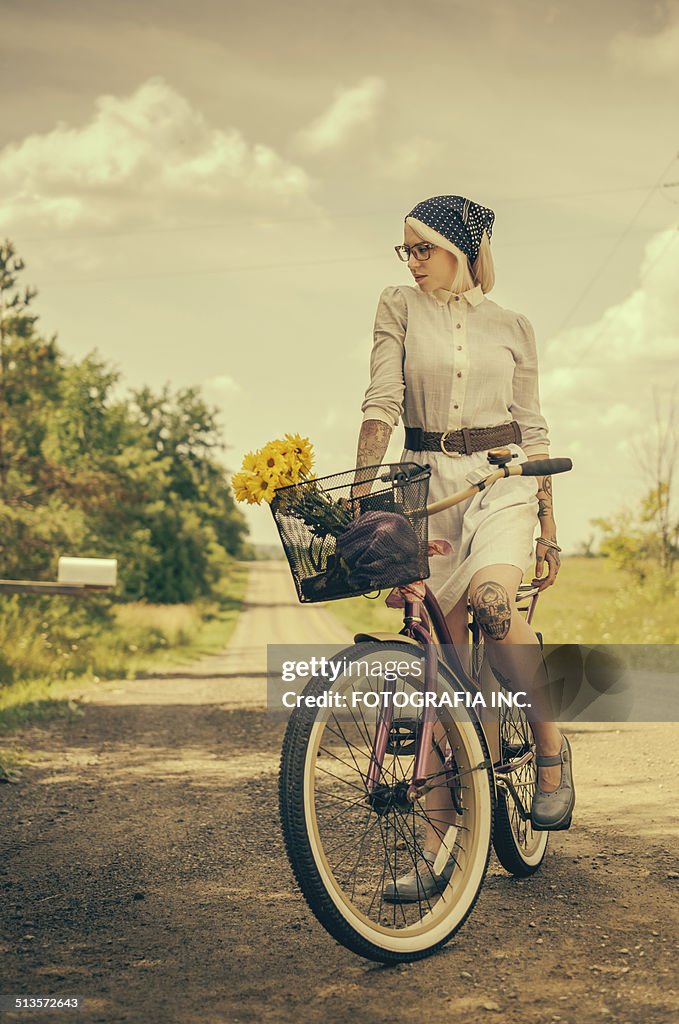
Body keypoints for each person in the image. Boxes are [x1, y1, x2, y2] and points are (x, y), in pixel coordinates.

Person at [354, 194, 575, 901]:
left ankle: (548, 748)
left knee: (492, 601)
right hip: (427, 489)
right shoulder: (396, 306)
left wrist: (548, 526)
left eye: (423, 249)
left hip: (503, 479)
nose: (412, 263)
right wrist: (363, 497)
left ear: (462, 250)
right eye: (406, 251)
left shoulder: (512, 325)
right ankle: (437, 849)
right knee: (443, 679)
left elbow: (533, 428)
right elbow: (381, 402)